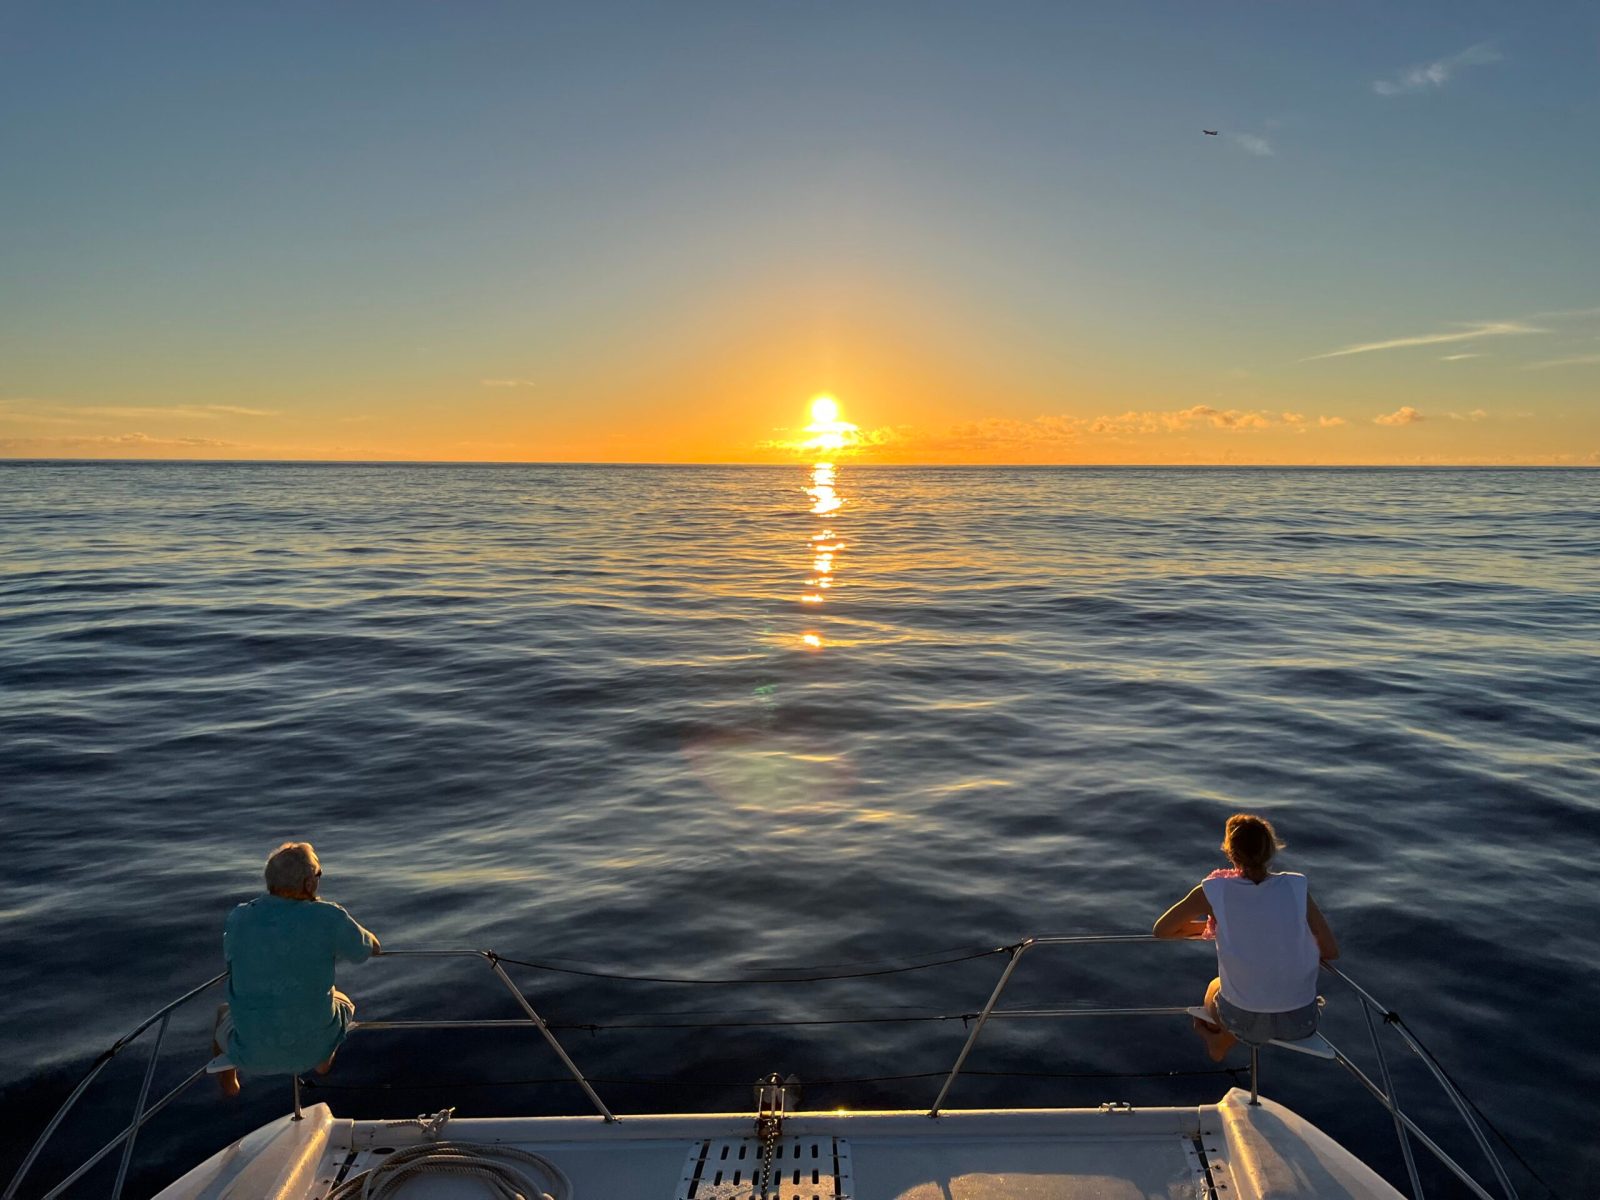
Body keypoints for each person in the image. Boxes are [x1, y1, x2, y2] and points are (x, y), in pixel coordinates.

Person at [1152, 814, 1338, 1061]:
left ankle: (1218, 1041)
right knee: (1249, 995)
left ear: (1230, 853)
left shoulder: (1213, 890)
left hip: (1243, 1021)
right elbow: (1330, 951)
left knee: (1215, 986)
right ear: (1271, 848)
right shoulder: (1296, 886)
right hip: (1300, 1022)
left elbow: (1162, 930)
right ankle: (1223, 1040)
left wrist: (1216, 929)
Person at [211, 842, 380, 1096]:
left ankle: (230, 1084)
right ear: (309, 884)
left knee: (222, 1012)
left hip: (252, 1054)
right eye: (319, 875)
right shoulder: (328, 916)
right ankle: (323, 1060)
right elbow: (369, 949)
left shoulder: (239, 917)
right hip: (311, 1050)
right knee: (343, 1000)